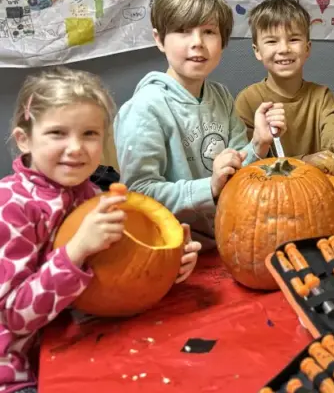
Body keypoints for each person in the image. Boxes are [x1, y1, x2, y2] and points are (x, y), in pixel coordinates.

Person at [0, 67, 200, 393]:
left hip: (73, 341)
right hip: (17, 372)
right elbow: (15, 316)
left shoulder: (91, 195)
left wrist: (170, 263)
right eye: (57, 133)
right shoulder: (11, 207)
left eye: (89, 134)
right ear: (25, 140)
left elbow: (119, 273)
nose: (76, 147)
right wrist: (75, 251)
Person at [114, 0, 285, 251]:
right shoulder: (144, 109)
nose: (197, 43)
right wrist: (210, 187)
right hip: (174, 251)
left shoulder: (221, 96)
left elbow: (238, 175)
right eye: (183, 30)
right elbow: (139, 195)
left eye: (209, 32)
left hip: (228, 239)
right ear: (159, 39)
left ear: (223, 42)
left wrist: (258, 144)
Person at [235, 0, 334, 176]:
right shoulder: (248, 101)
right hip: (267, 191)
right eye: (271, 41)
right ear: (257, 51)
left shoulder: (322, 97)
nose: (284, 49)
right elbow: (250, 166)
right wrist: (303, 162)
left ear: (307, 48)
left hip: (318, 189)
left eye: (293, 39)